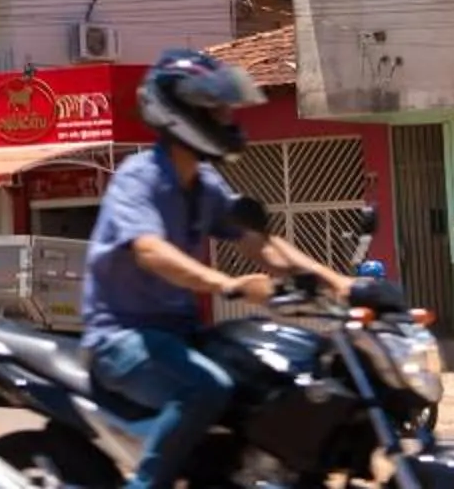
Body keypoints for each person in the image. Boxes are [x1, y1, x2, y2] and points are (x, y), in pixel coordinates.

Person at [81, 51, 350, 489]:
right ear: (180, 111)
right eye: (215, 107)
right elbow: (150, 250)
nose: (226, 116)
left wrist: (337, 282)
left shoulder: (203, 184)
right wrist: (226, 283)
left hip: (179, 333)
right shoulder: (139, 177)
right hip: (120, 338)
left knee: (272, 373)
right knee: (206, 388)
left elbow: (258, 242)